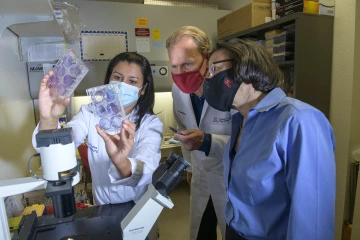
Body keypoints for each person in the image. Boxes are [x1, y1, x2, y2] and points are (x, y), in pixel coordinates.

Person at [203, 39, 336, 240]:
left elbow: (313, 216)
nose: (207, 79)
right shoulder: (239, 119)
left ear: (244, 66)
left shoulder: (300, 119)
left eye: (213, 69)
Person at [32, 52, 163, 208]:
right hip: (101, 206)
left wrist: (121, 162)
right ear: (109, 79)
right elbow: (59, 147)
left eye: (132, 81)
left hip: (136, 208)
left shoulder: (150, 124)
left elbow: (147, 170)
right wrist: (49, 119)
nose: (122, 85)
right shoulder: (90, 113)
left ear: (143, 89)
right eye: (117, 78)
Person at [166, 26, 231, 240]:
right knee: (202, 232)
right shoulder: (178, 91)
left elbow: (247, 141)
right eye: (174, 66)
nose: (181, 74)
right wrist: (190, 166)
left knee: (232, 231)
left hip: (229, 176)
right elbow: (182, 124)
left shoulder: (230, 88)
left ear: (207, 57)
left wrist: (207, 141)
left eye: (187, 64)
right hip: (200, 174)